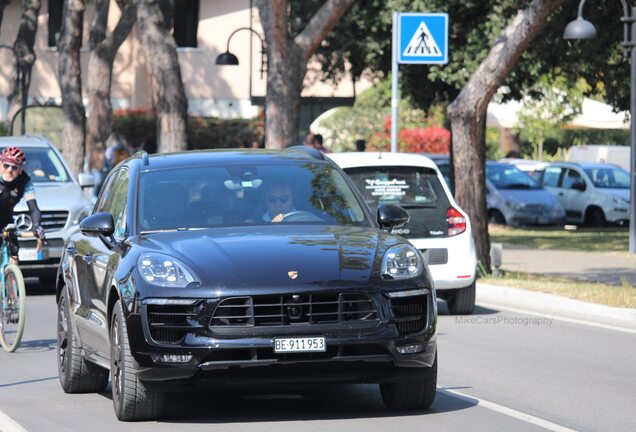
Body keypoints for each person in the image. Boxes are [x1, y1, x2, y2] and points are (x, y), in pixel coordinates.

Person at [0, 147, 45, 265]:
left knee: (14, 256)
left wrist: (36, 226)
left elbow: (34, 208)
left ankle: (12, 279)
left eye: (14, 167)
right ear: (0, 165)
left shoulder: (25, 181)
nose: (9, 170)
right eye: (6, 165)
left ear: (20, 169)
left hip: (6, 219)